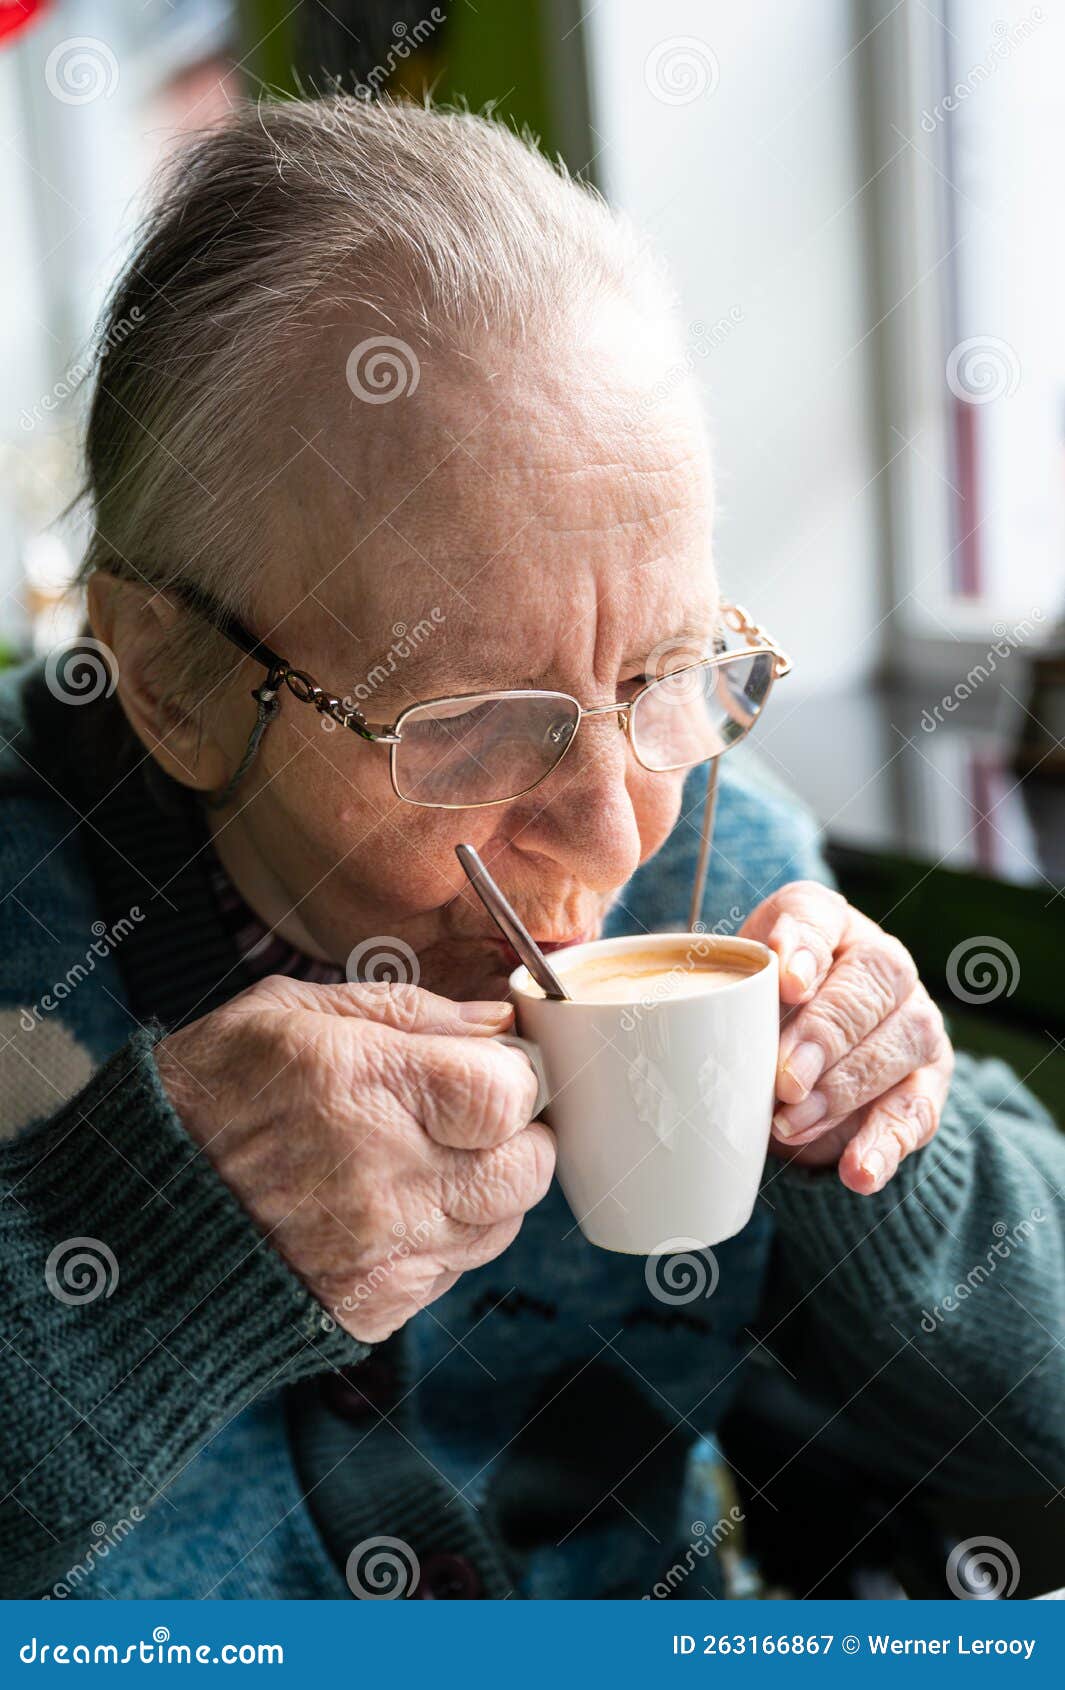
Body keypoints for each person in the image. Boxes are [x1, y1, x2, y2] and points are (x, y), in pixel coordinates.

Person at [1, 98, 1061, 1602]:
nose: (622, 824)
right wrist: (126, 1272)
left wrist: (883, 1146)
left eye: (668, 671)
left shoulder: (718, 852)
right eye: (476, 727)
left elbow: (1039, 1396)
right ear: (168, 675)